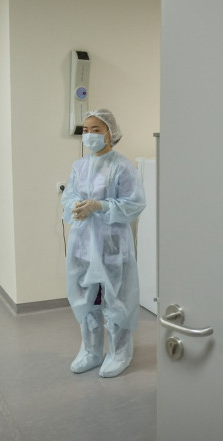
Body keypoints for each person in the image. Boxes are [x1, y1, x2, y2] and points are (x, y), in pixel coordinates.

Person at [61, 109, 146, 378]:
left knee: (115, 298)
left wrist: (99, 206)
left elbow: (134, 204)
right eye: (85, 130)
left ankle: (120, 352)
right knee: (87, 298)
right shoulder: (79, 166)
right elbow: (68, 196)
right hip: (83, 244)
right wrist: (75, 205)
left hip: (111, 245)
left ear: (110, 132)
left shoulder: (122, 166)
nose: (89, 135)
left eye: (96, 130)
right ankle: (91, 351)